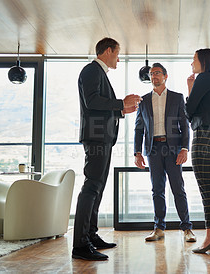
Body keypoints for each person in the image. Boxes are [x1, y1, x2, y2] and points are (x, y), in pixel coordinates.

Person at [73, 37, 142, 261]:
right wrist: (120, 102)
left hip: (103, 137)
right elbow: (92, 101)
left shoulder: (99, 73)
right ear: (108, 51)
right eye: (117, 54)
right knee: (91, 187)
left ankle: (91, 236)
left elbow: (100, 106)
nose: (119, 59)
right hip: (96, 137)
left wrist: (121, 111)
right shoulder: (92, 70)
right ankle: (80, 245)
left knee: (97, 188)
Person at [134, 63, 196, 243]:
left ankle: (187, 228)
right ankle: (159, 228)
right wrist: (137, 152)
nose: (154, 76)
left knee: (178, 189)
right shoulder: (143, 100)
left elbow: (185, 126)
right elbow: (139, 129)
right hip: (153, 150)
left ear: (165, 76)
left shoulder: (177, 98)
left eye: (158, 73)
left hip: (173, 150)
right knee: (157, 190)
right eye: (152, 74)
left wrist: (184, 148)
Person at [185, 48, 210, 254]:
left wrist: (189, 88)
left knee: (206, 186)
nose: (192, 63)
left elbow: (189, 111)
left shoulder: (202, 78)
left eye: (194, 60)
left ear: (203, 61)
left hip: (204, 134)